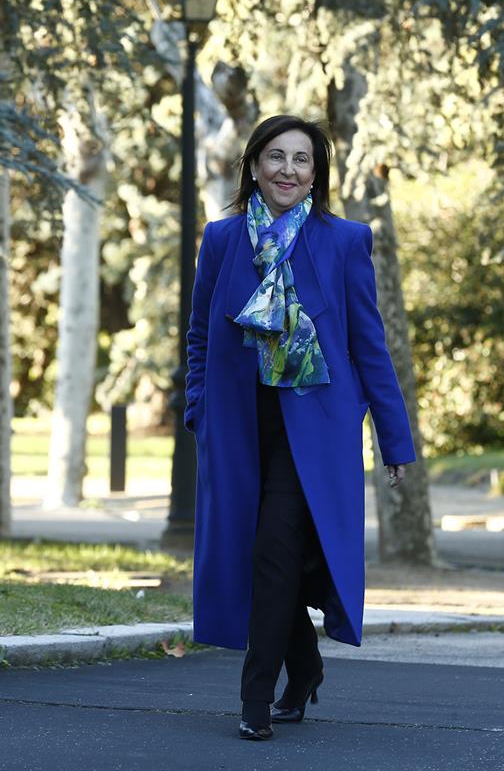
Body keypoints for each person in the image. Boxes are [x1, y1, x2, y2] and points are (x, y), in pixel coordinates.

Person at [184, 114, 416, 741]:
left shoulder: (343, 242)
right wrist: (197, 407)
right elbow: (201, 332)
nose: (289, 170)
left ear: (317, 172)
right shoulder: (224, 239)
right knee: (255, 550)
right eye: (276, 158)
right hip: (239, 425)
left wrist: (393, 437)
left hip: (313, 427)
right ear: (254, 165)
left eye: (302, 160)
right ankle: (306, 664)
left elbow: (369, 347)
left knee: (273, 551)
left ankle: (255, 699)